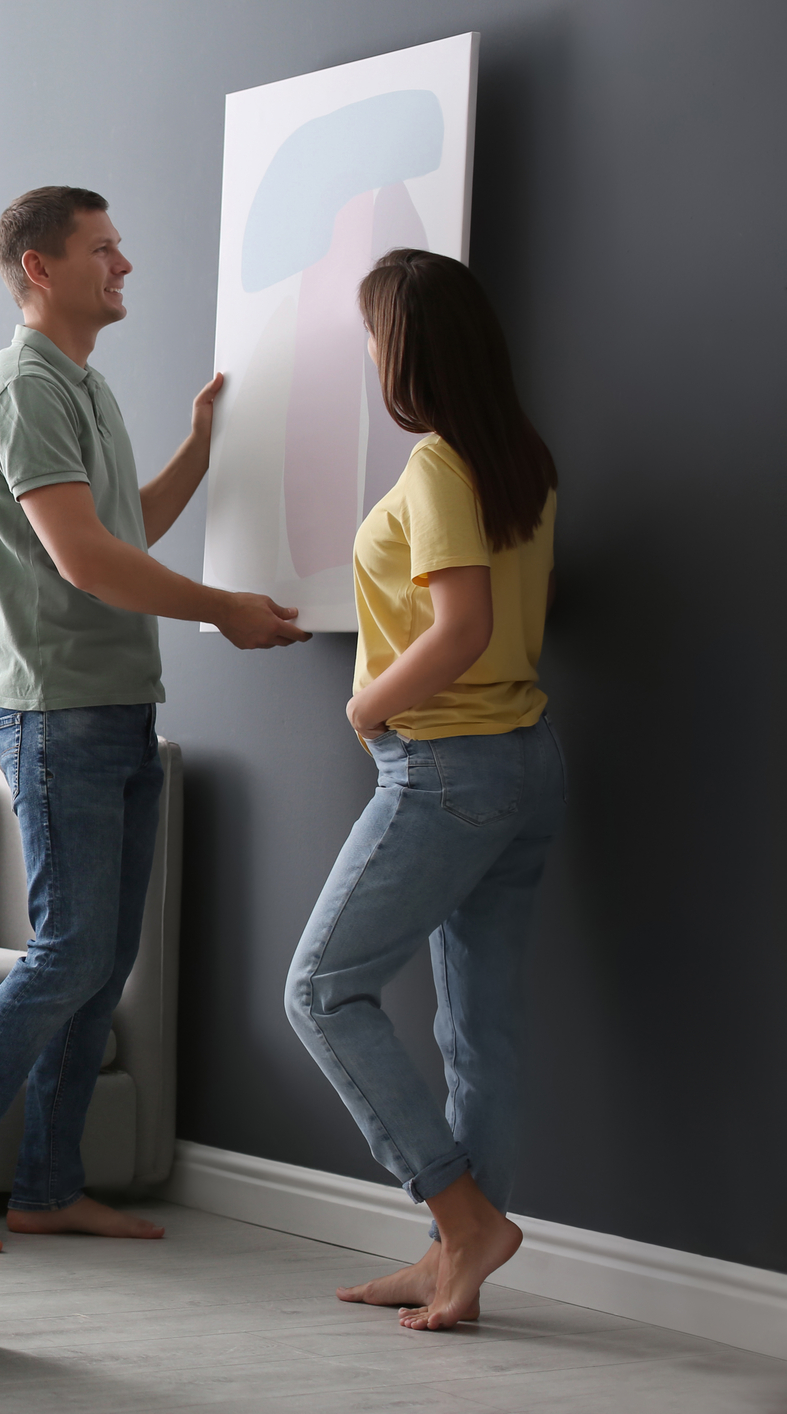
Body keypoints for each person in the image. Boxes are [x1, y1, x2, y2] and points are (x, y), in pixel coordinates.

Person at [0, 186, 308, 1243]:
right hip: (59, 713)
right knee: (70, 950)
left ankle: (48, 1186)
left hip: (115, 709)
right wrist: (223, 610)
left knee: (100, 957)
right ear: (41, 269)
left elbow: (125, 525)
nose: (126, 263)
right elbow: (86, 561)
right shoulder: (24, 390)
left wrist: (200, 444)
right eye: (104, 248)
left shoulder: (83, 388)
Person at [284, 248, 563, 1330]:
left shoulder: (443, 467)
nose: (364, 348)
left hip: (450, 767)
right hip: (529, 761)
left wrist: (364, 707)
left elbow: (463, 629)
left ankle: (464, 1221)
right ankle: (457, 1255)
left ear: (401, 347)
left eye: (369, 331)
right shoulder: (520, 456)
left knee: (319, 990)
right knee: (477, 1030)